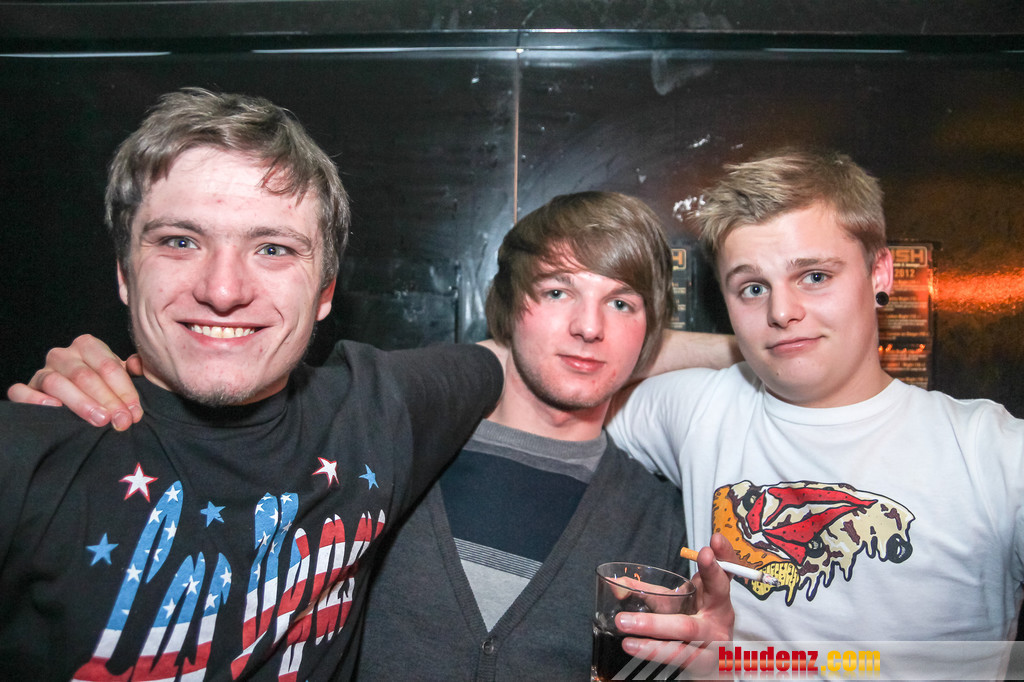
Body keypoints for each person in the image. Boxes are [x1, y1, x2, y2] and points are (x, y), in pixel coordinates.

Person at [11, 191, 741, 679]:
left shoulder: (658, 516)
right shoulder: (390, 445)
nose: (588, 327)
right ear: (511, 306)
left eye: (622, 303)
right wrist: (134, 378)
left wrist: (711, 675)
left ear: (651, 328)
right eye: (557, 292)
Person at [0, 87, 504, 681]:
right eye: (180, 241)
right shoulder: (28, 458)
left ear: (324, 292)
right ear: (126, 274)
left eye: (272, 248)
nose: (222, 290)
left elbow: (510, 356)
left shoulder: (373, 410)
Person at [607, 149, 1024, 677]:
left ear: (880, 273)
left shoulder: (992, 451)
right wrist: (745, 349)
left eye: (815, 276)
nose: (782, 311)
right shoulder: (700, 409)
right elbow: (554, 367)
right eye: (752, 289)